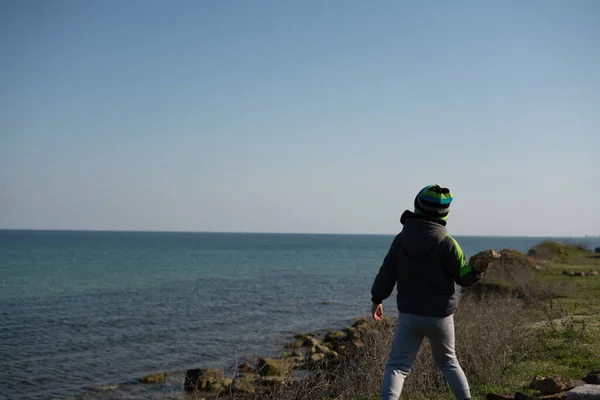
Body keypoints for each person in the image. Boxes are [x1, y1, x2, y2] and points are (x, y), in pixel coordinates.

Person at [370, 184, 487, 400]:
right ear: (445, 213)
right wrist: (477, 269)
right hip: (441, 316)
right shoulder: (447, 243)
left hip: (410, 316)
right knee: (449, 362)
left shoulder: (401, 239)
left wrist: (377, 298)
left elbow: (387, 272)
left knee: (397, 366)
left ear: (417, 206)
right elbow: (463, 277)